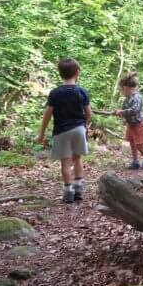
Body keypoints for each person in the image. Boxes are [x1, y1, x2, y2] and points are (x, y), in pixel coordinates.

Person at [38, 58, 92, 203]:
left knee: (65, 162)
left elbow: (48, 114)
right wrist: (85, 125)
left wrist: (42, 132)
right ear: (77, 72)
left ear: (60, 74)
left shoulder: (55, 93)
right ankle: (78, 187)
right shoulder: (82, 92)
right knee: (77, 158)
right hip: (79, 129)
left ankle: (68, 191)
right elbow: (88, 113)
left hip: (61, 131)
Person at [113, 73, 143, 170]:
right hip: (131, 125)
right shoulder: (127, 99)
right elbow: (125, 110)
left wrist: (122, 112)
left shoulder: (137, 97)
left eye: (121, 90)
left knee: (139, 145)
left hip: (138, 125)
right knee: (132, 143)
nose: (121, 92)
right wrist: (122, 116)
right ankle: (135, 161)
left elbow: (135, 110)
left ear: (125, 88)